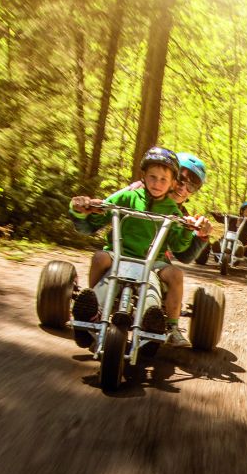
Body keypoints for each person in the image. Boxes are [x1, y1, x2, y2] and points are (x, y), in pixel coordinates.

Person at [68, 146, 196, 348]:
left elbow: (179, 245)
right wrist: (82, 209)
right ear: (143, 175)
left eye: (164, 180)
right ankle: (92, 306)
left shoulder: (173, 211)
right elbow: (93, 221)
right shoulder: (127, 197)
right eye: (152, 177)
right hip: (118, 255)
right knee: (100, 257)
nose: (157, 183)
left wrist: (188, 229)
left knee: (176, 274)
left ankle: (170, 326)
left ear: (172, 182)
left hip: (153, 262)